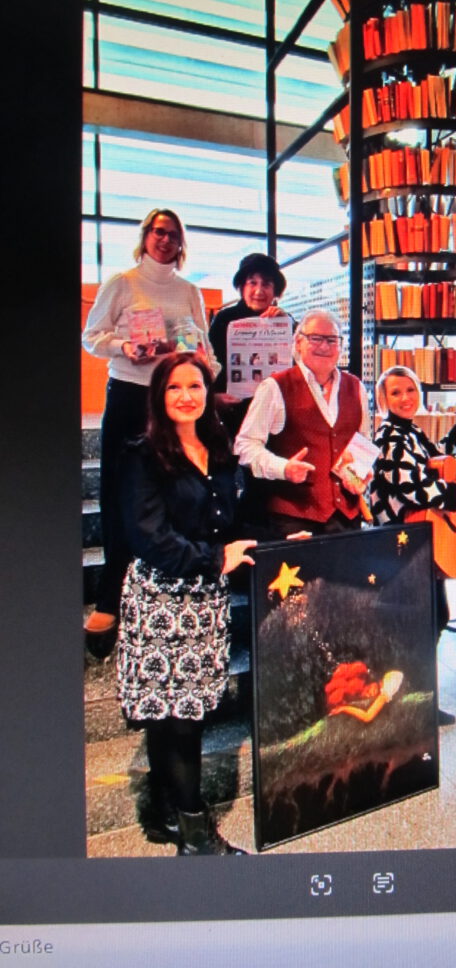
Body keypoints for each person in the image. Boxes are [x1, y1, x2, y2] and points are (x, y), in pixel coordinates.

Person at [118, 351, 257, 855]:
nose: (186, 396)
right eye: (174, 387)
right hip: (161, 600)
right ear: (159, 395)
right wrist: (214, 558)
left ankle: (164, 816)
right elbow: (148, 536)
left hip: (205, 602)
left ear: (207, 393)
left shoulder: (219, 451)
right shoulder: (143, 454)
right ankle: (197, 837)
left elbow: (233, 525)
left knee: (183, 712)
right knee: (174, 717)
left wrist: (280, 545)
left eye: (195, 386)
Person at [81, 208, 220, 640]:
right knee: (118, 493)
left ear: (181, 242)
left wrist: (208, 373)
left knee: (174, 493)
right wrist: (125, 345)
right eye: (158, 232)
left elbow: (204, 346)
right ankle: (109, 594)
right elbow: (91, 336)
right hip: (130, 395)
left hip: (176, 399)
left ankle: (171, 577)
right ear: (146, 237)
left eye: (173, 233)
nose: (165, 240)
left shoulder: (189, 291)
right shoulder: (121, 283)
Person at [369, 365, 456, 726]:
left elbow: (435, 459)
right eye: (395, 393)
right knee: (419, 621)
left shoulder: (409, 431)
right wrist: (454, 496)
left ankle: (416, 698)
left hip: (418, 538)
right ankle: (411, 703)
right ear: (383, 399)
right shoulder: (390, 437)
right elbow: (412, 487)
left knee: (431, 618)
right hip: (404, 541)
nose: (405, 398)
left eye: (410, 390)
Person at [234, 309, 370, 538]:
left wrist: (359, 476)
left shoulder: (356, 387)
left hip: (346, 520)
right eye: (315, 338)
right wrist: (283, 468)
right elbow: (245, 446)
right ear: (298, 343)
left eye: (332, 340)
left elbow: (362, 442)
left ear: (341, 345)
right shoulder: (275, 387)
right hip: (293, 521)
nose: (324, 346)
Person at [208, 252, 290, 438]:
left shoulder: (285, 320)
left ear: (275, 289)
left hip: (274, 416)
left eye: (267, 283)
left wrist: (287, 326)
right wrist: (214, 398)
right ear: (242, 287)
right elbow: (209, 363)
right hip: (232, 415)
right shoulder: (224, 319)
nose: (259, 291)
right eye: (252, 283)